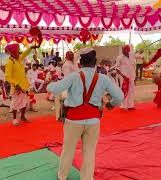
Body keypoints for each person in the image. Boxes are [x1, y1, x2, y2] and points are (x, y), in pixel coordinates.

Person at [47, 48, 124, 180]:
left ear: (80, 62)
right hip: (93, 121)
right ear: (95, 62)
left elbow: (53, 89)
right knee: (89, 152)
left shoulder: (73, 76)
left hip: (73, 120)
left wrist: (51, 82)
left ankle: (62, 176)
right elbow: (119, 96)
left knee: (68, 149)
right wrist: (111, 104)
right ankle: (87, 177)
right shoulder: (103, 78)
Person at [5, 43, 36, 126]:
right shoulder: (10, 62)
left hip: (24, 84)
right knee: (15, 103)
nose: (19, 51)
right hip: (17, 87)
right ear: (13, 51)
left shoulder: (18, 59)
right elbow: (7, 77)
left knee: (25, 102)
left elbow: (25, 53)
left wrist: (31, 47)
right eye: (17, 50)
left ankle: (22, 116)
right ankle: (14, 119)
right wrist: (16, 84)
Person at [111, 45, 136, 110]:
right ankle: (123, 105)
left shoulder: (132, 56)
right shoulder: (120, 57)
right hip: (124, 77)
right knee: (124, 91)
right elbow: (116, 68)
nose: (123, 51)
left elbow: (138, 57)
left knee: (131, 91)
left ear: (128, 50)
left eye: (125, 49)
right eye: (123, 49)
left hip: (132, 77)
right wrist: (123, 76)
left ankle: (131, 105)